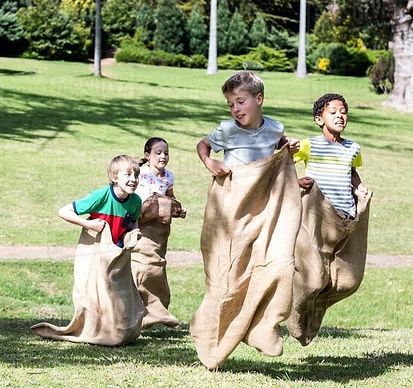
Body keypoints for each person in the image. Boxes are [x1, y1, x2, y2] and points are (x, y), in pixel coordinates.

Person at [190, 71, 303, 370]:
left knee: (278, 265)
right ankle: (210, 342)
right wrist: (209, 161)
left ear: (259, 99)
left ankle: (263, 326)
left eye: (240, 102)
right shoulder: (227, 130)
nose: (236, 109)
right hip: (232, 212)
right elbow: (203, 145)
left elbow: (277, 144)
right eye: (230, 104)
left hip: (265, 210)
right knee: (228, 278)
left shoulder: (275, 128)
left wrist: (286, 147)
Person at [31, 155, 147, 346]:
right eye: (128, 174)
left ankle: (116, 330)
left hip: (116, 258)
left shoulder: (135, 201)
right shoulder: (101, 196)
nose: (133, 179)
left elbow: (133, 220)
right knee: (93, 294)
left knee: (117, 294)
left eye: (136, 175)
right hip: (95, 255)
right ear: (114, 176)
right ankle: (95, 330)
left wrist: (134, 231)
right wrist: (88, 223)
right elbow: (64, 211)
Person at [288, 93, 373, 346]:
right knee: (313, 278)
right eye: (333, 111)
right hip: (316, 216)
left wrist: (360, 188)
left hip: (345, 218)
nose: (340, 115)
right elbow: (282, 165)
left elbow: (352, 173)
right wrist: (296, 181)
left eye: (343, 111)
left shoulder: (352, 148)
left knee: (347, 282)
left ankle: (315, 311)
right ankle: (295, 312)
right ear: (319, 119)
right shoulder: (309, 145)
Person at [132, 138, 186, 329]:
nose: (163, 156)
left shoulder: (169, 176)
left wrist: (177, 209)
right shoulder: (140, 175)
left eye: (166, 153)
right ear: (147, 156)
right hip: (141, 228)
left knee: (157, 268)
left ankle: (156, 311)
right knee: (143, 269)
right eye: (158, 153)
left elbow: (171, 198)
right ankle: (142, 312)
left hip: (160, 232)